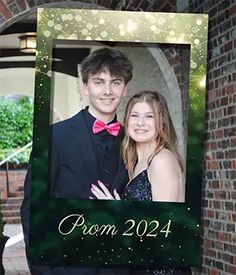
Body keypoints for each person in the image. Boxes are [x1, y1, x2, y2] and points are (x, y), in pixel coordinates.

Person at [20, 47, 133, 274]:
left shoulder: (134, 140)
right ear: (85, 87)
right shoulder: (54, 137)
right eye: (99, 82)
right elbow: (33, 209)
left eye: (116, 82)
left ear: (125, 89)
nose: (107, 91)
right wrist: (44, 270)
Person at [91, 91, 185, 203]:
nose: (140, 123)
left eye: (149, 116)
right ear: (127, 120)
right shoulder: (136, 162)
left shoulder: (161, 160)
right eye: (134, 115)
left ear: (162, 122)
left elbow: (166, 218)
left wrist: (115, 210)